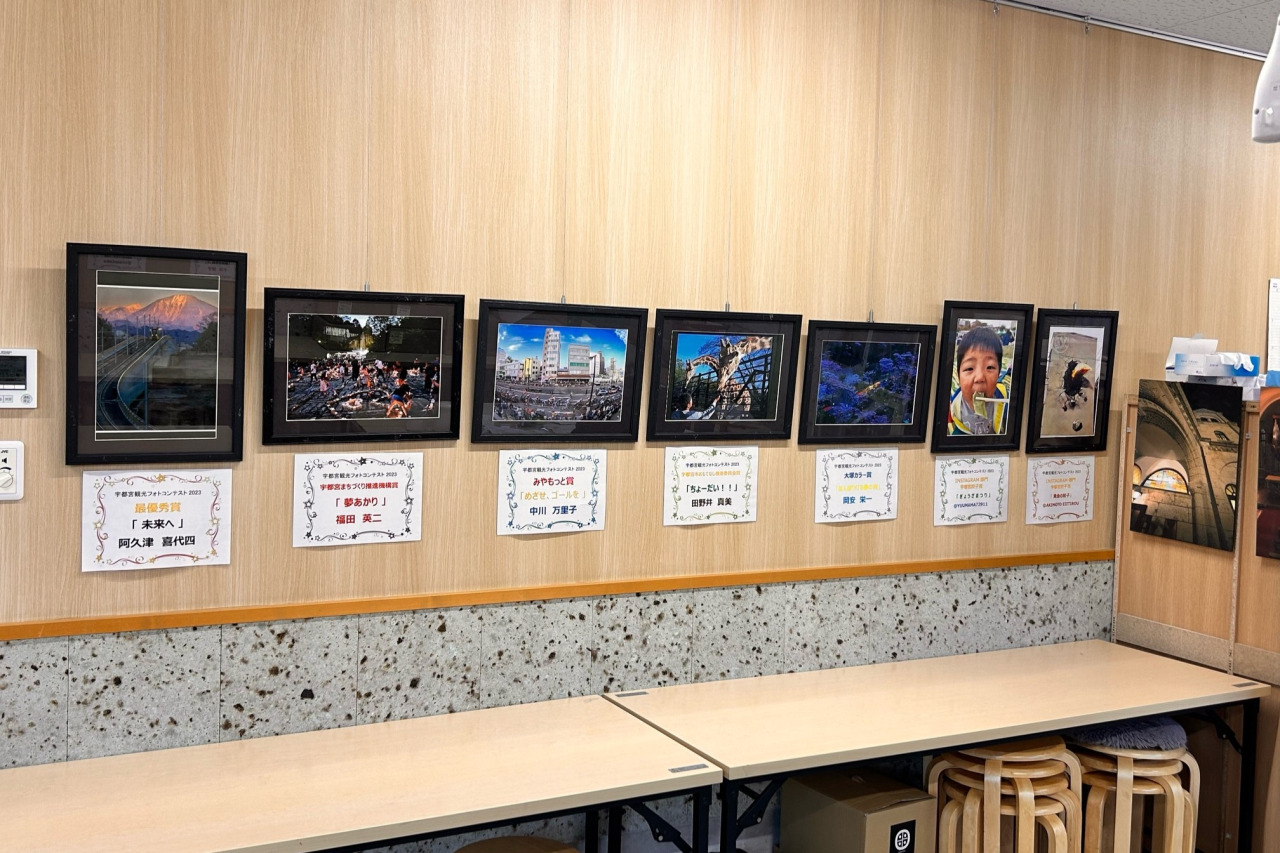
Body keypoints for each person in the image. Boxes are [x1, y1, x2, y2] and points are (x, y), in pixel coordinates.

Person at [948, 325, 1010, 435]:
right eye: (969, 368)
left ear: (998, 374)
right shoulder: (954, 406)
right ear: (959, 377)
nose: (980, 377)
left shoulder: (1005, 402)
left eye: (990, 367)